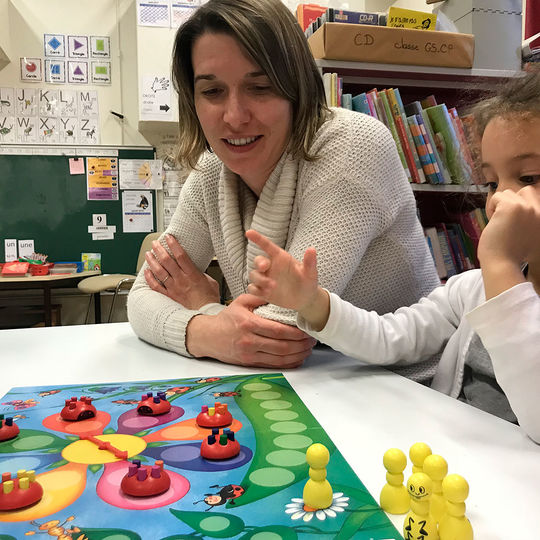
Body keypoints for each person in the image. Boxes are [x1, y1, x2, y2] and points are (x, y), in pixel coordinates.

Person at [127, 0, 439, 372]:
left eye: (260, 87)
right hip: (315, 386)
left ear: (298, 87)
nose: (234, 116)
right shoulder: (213, 169)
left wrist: (200, 302)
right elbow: (142, 295)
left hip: (410, 389)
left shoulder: (354, 146)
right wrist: (207, 327)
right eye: (212, 92)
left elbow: (284, 331)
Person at [245, 72, 540, 443]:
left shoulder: (496, 276)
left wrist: (500, 265)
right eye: (492, 182)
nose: (498, 200)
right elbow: (390, 337)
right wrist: (314, 303)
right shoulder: (470, 290)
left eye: (529, 177)